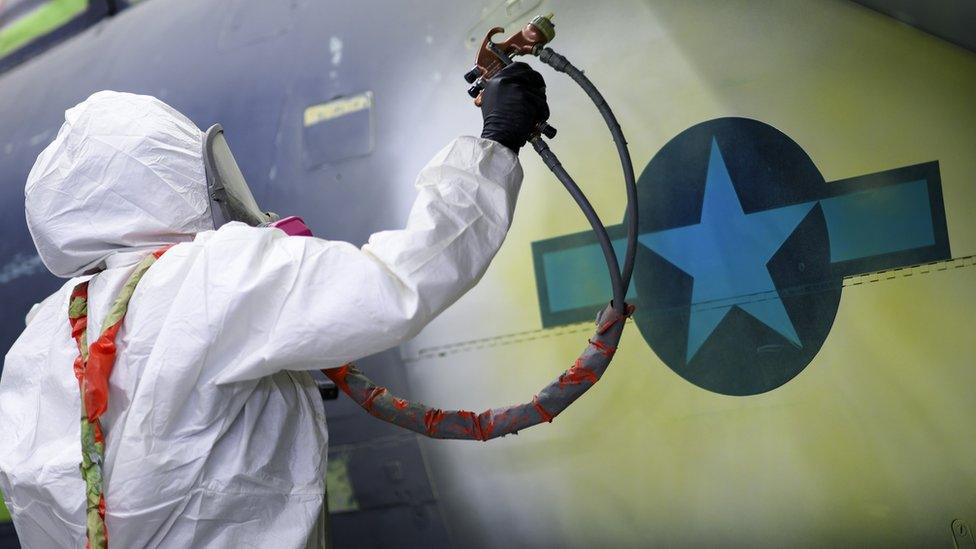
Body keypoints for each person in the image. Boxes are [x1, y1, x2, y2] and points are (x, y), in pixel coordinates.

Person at [0, 62, 548, 547]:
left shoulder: (39, 339)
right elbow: (397, 283)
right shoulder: (210, 275)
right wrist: (494, 146)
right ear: (171, 173)